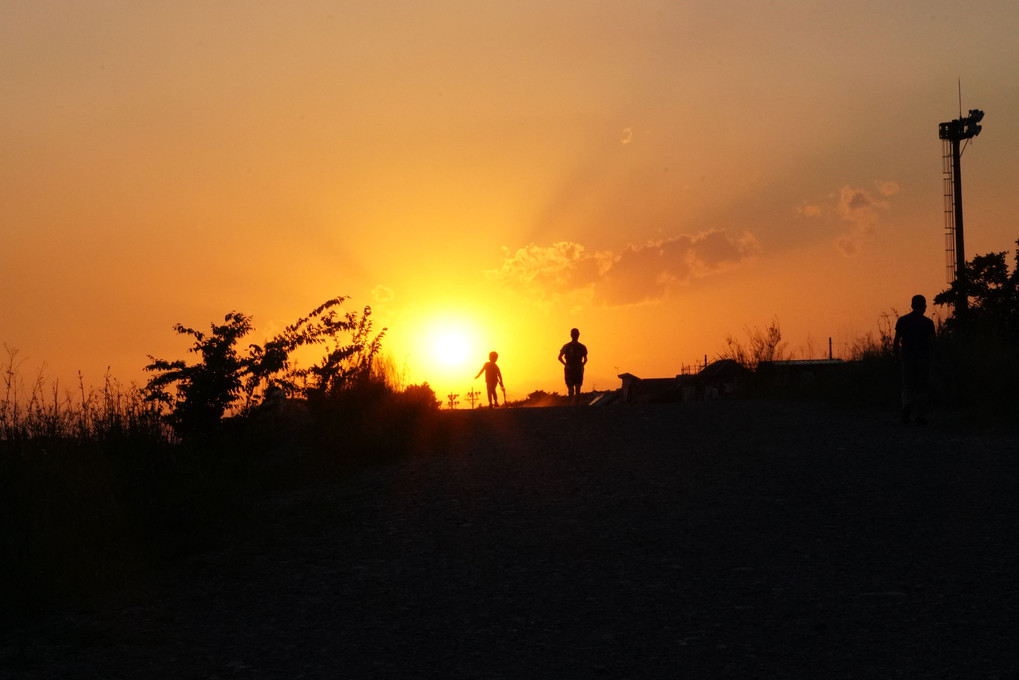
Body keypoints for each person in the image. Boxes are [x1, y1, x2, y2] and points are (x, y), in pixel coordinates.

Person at [893, 294, 936, 425]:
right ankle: (920, 415)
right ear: (924, 306)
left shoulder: (902, 320)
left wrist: (897, 355)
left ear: (912, 306)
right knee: (921, 387)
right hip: (923, 358)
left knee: (907, 386)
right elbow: (932, 343)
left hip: (907, 358)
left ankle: (906, 407)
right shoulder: (928, 323)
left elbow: (896, 341)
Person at [557, 328, 588, 403]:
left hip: (578, 370)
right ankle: (569, 406)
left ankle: (576, 407)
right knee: (571, 390)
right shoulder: (566, 346)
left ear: (578, 335)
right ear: (571, 335)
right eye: (574, 334)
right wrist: (566, 365)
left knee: (578, 390)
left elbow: (585, 359)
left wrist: (582, 365)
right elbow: (559, 357)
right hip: (569, 370)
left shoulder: (582, 347)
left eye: (576, 334)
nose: (575, 336)